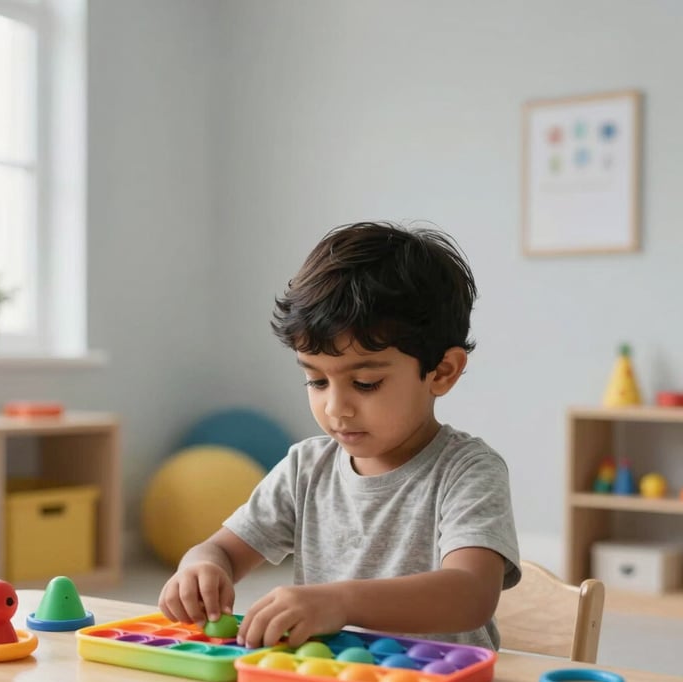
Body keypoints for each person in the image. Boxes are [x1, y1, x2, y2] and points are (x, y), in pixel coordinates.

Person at [158, 221, 520, 651]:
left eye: (365, 383)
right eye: (316, 382)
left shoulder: (467, 470)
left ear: (441, 372)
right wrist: (201, 568)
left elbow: (471, 594)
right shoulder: (306, 468)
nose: (336, 408)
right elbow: (220, 550)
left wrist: (341, 600)